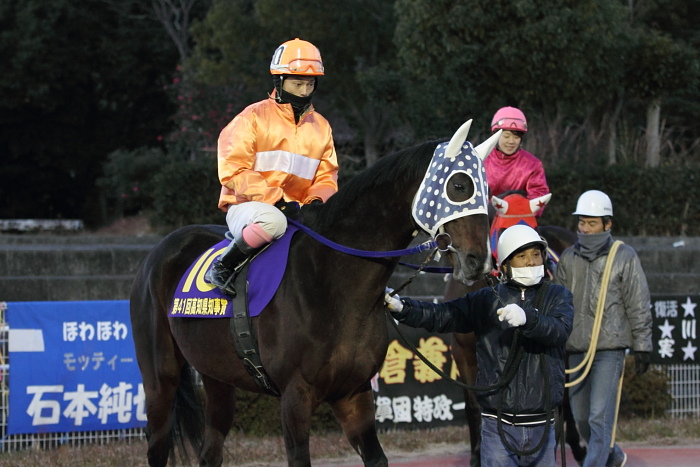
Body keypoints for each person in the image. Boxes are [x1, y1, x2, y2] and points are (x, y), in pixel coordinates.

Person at [385, 224, 574, 466]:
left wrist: (529, 319)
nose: (530, 262)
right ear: (505, 265)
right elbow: (443, 315)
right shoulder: (486, 299)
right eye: (522, 256)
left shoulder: (558, 296)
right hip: (496, 424)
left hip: (543, 423)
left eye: (535, 254)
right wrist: (403, 308)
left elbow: (559, 331)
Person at [206, 38, 339, 296]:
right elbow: (233, 170)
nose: (303, 91)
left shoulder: (322, 127)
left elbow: (327, 175)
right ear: (279, 81)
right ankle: (223, 266)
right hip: (248, 207)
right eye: (297, 83)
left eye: (310, 84)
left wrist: (315, 203)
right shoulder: (252, 117)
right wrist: (277, 200)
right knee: (274, 220)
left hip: (298, 212)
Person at [553, 190, 652, 467]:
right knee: (582, 417)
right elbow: (557, 301)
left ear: (608, 224)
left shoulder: (624, 256)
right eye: (582, 223)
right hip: (575, 348)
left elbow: (638, 302)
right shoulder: (569, 257)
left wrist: (643, 345)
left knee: (599, 416)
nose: (585, 229)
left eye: (592, 223)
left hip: (609, 348)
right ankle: (613, 455)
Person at [484, 107, 549, 212]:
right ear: (495, 136)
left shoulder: (533, 165)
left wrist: (515, 210)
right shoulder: (481, 160)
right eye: (506, 136)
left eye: (516, 137)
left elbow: (538, 197)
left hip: (519, 219)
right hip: (485, 221)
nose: (511, 141)